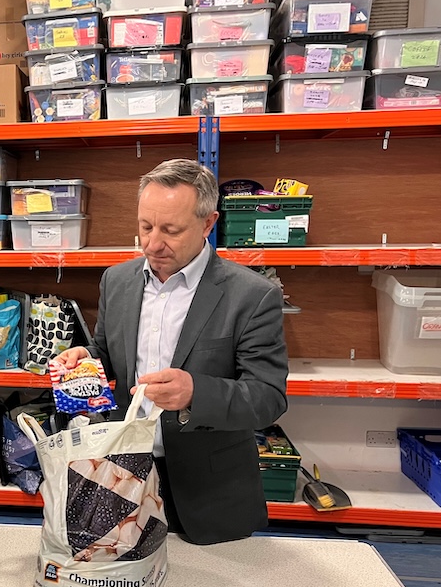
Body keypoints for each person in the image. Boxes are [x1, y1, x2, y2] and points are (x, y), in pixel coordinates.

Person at [55, 159, 288, 544]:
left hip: (207, 489)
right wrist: (85, 357)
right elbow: (108, 351)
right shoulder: (118, 280)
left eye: (171, 230)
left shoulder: (252, 295)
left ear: (208, 224)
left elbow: (268, 397)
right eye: (145, 226)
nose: (152, 243)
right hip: (121, 475)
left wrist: (196, 393)